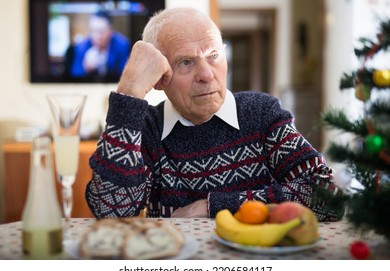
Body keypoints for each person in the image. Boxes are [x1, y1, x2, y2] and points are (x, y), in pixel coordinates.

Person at [85, 7, 344, 221]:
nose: (207, 75)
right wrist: (129, 93)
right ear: (160, 78)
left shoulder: (262, 114)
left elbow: (328, 196)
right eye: (186, 62)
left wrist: (213, 206)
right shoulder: (147, 128)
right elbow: (111, 213)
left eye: (214, 56)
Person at [67, 11, 130, 80]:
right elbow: (74, 74)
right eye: (93, 31)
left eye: (101, 31)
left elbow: (125, 74)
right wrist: (86, 67)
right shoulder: (82, 47)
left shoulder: (122, 45)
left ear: (111, 31)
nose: (96, 36)